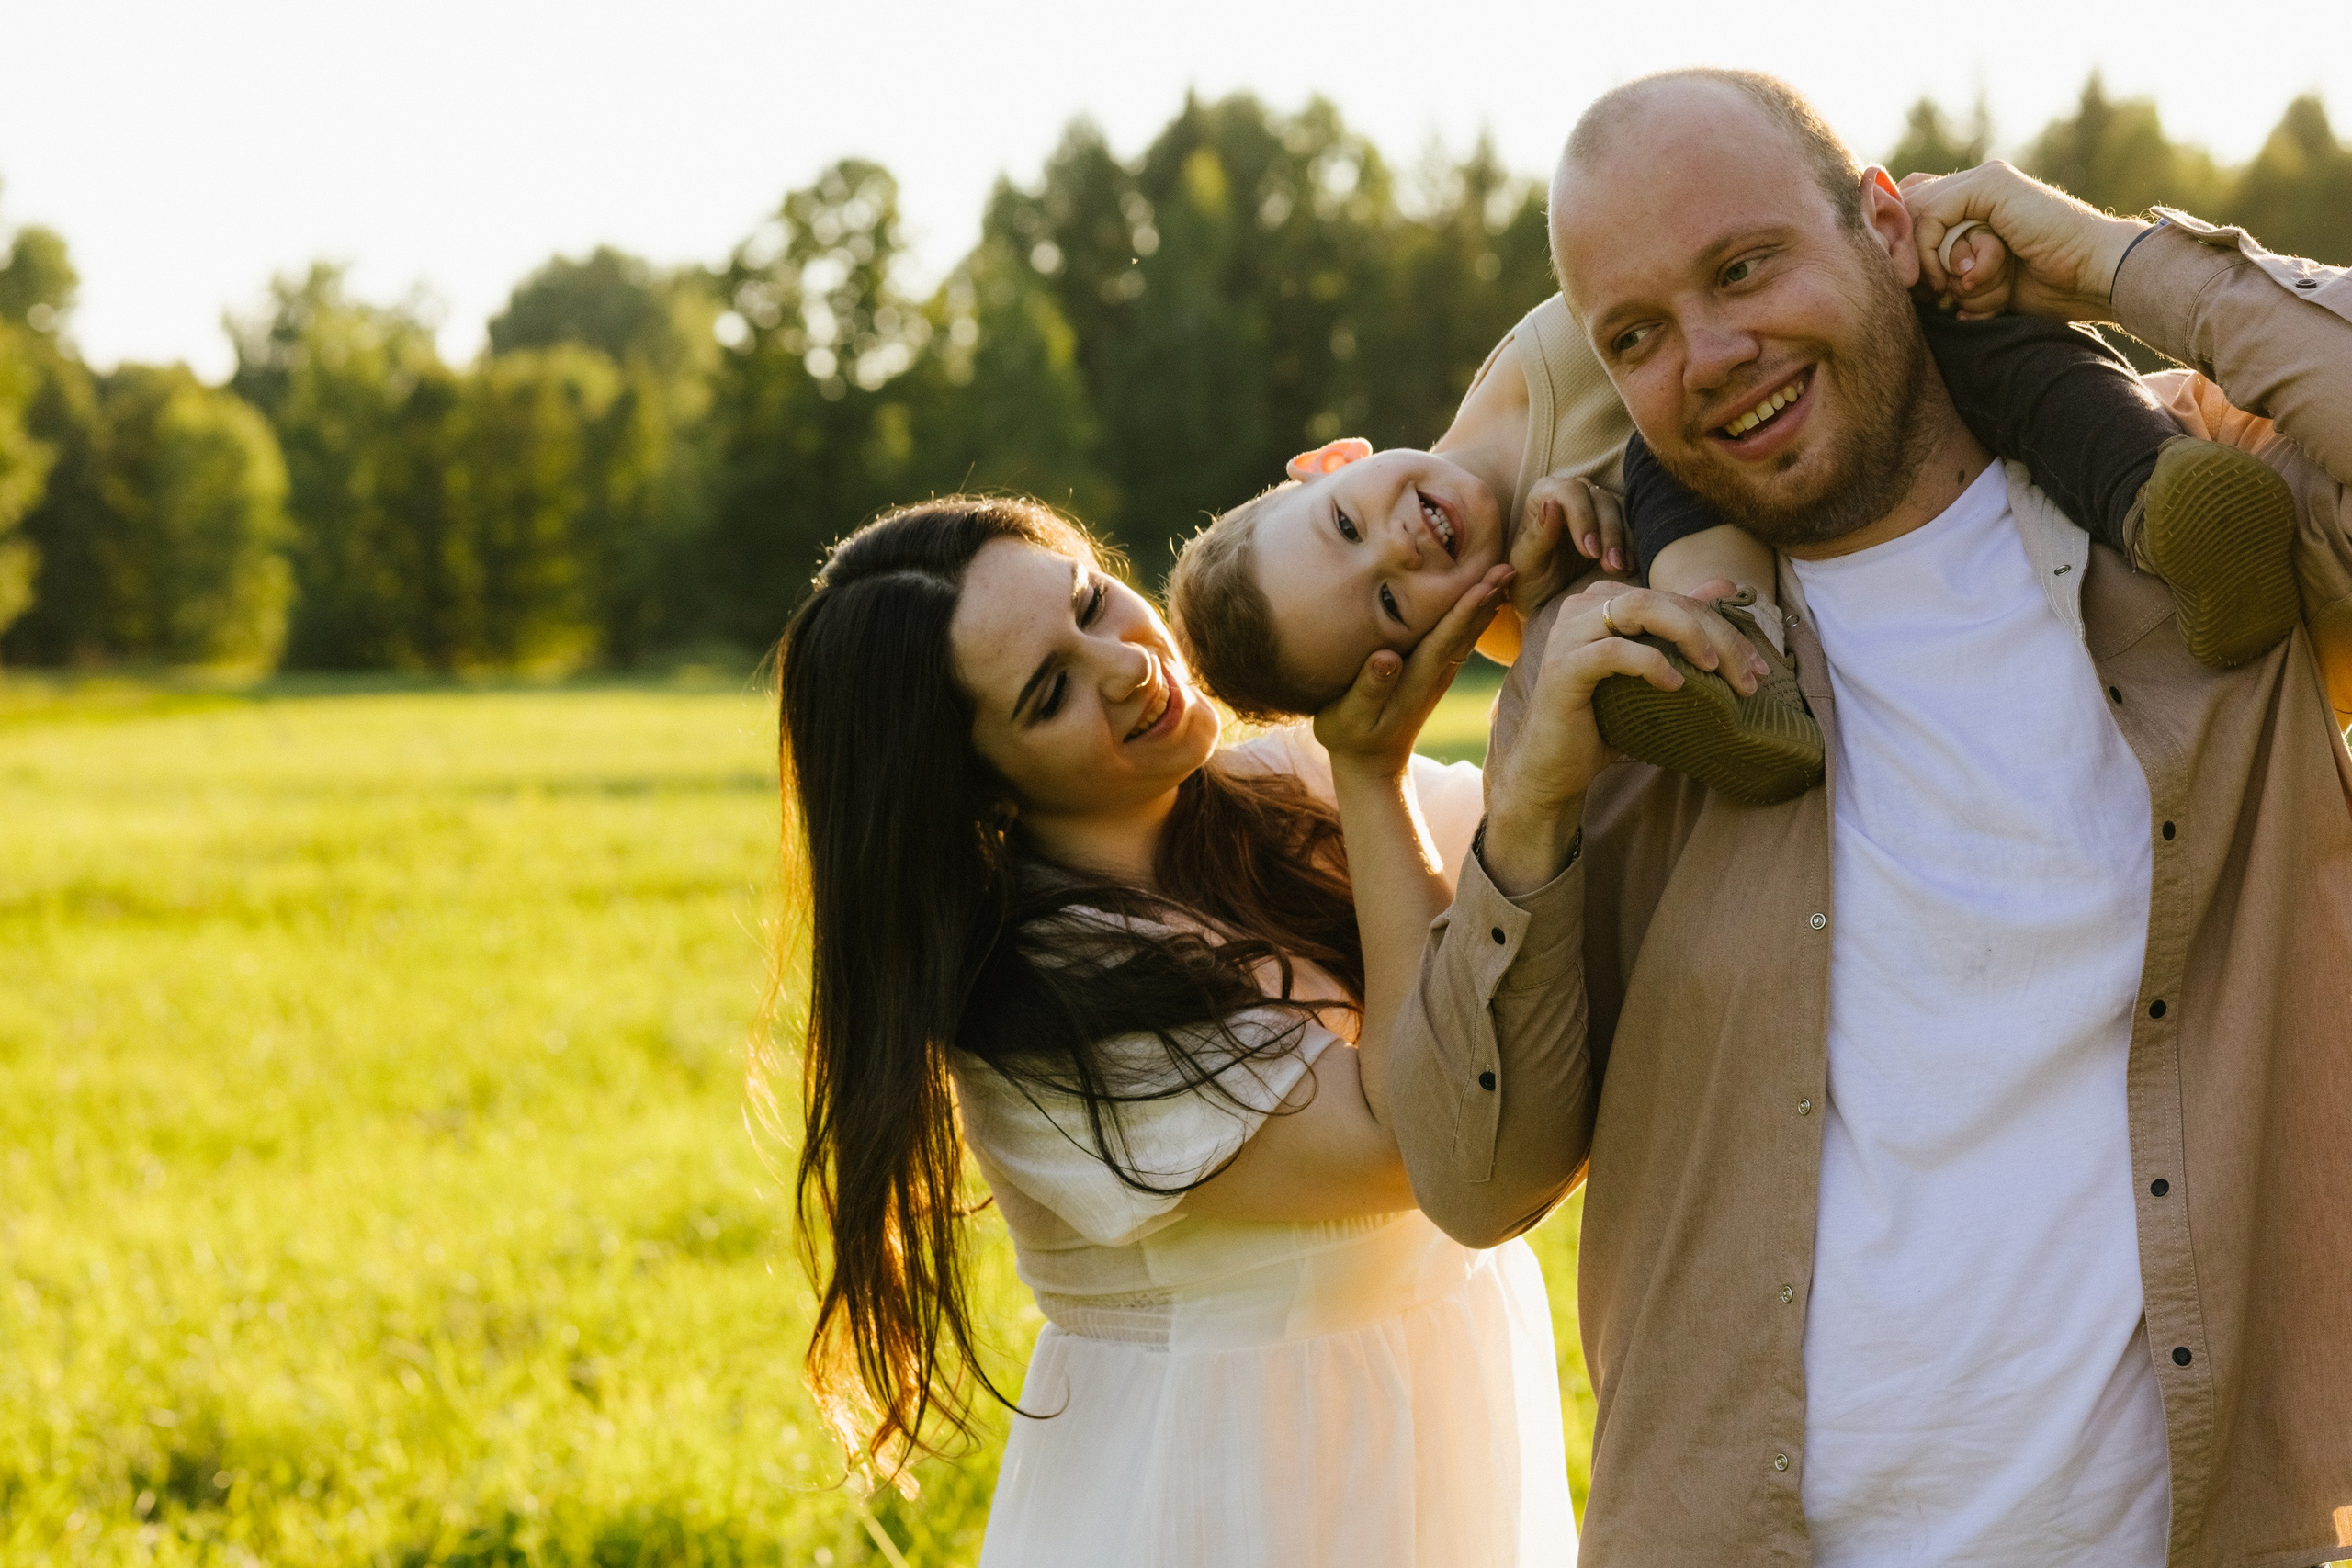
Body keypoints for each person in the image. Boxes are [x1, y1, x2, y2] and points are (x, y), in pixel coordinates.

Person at [1339, 70, 2352, 1567]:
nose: (1712, 357)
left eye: (1743, 268)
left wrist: (2103, 253)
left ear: (1888, 223)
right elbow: (1474, 1177)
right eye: (1637, 335)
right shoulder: (1624, 658)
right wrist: (1531, 812)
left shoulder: (2201, 535)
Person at [771, 496, 1583, 1568]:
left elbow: (1570, 847)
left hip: (1445, 1434)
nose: (1124, 665)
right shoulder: (1045, 1005)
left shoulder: (1275, 789)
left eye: (1091, 603)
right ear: (974, 786)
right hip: (1232, 1496)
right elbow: (1427, 1145)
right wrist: (1373, 780)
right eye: (1051, 691)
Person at [1168, 245, 2301, 807]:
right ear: (1416, 659)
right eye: (1387, 607)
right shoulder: (1542, 623)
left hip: (1897, 374)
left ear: (1330, 463)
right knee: (1672, 476)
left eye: (1343, 526)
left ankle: (2172, 506)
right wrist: (1579, 582)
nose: (1399, 550)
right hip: (1899, 531)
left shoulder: (1550, 341)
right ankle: (1740, 677)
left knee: (2002, 362)